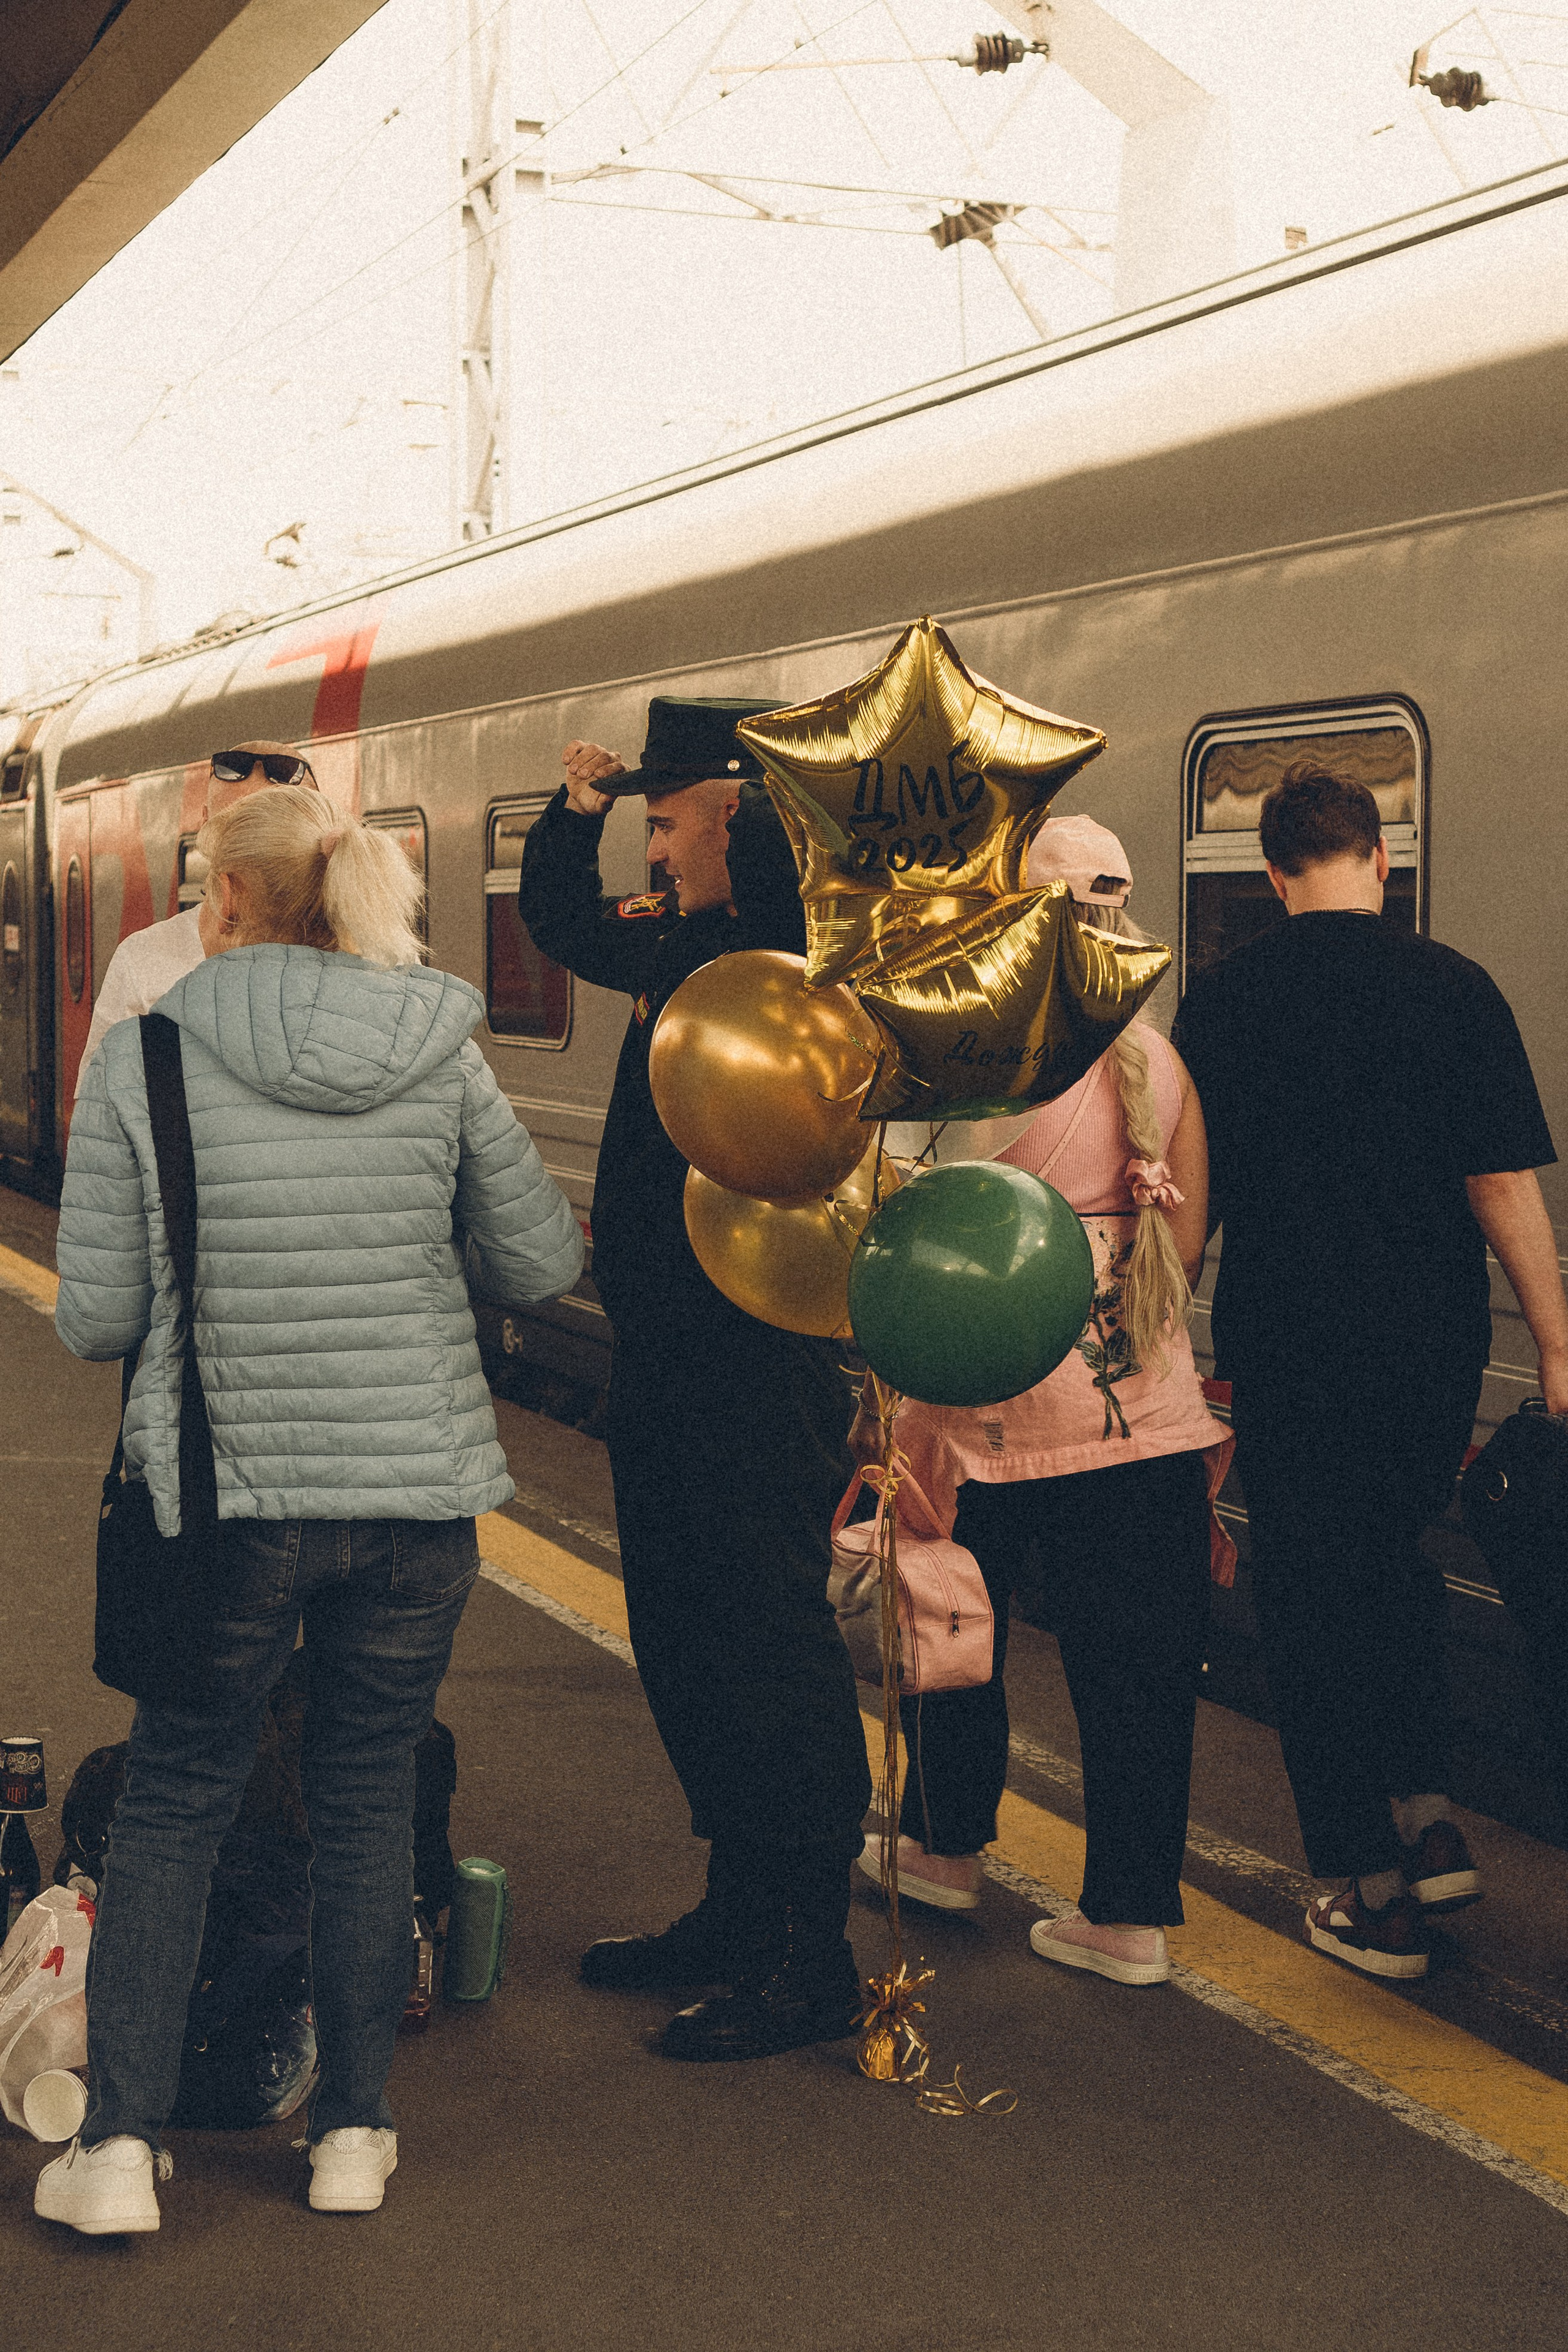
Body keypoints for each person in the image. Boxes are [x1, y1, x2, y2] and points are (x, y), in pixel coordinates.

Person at [39, 785, 583, 2236]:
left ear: (220, 903)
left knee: (173, 1805)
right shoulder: (441, 1047)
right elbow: (537, 1260)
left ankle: (116, 2153)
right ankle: (353, 2131)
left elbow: (93, 1315)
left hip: (224, 1498)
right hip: (413, 1496)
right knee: (361, 1800)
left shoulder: (146, 1055)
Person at [517, 698, 873, 2062]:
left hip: (757, 1358)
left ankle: (807, 1953)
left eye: (668, 822)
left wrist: (761, 796)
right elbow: (556, 924)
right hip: (668, 1347)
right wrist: (577, 814)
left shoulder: (789, 951)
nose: (651, 850)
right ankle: (737, 1906)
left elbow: (781, 850)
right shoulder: (677, 949)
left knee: (762, 1640)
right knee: (680, 1626)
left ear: (739, 812)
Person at [1171, 763, 1568, 1981]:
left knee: (1304, 1593)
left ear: (1272, 872)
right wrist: (1555, 1344)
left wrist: (1159, 1367)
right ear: (1378, 862)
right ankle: (1423, 1809)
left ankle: (1365, 1887)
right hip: (1427, 1345)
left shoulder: (1224, 1002)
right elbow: (1500, 1187)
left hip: (1288, 1346)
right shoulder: (1454, 988)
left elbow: (1186, 1211)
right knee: (1391, 1567)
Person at [854, 816, 1232, 1986]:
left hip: (991, 1415)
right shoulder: (1159, 1061)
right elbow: (1184, 1232)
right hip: (1143, 1412)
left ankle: (943, 1850)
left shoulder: (980, 1063)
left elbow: (908, 1230)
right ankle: (1126, 1922)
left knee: (955, 1620)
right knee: (1139, 1679)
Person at [75, 743, 319, 1093]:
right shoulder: (142, 961)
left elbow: (98, 1116)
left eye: (275, 831)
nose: (257, 851)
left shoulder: (145, 960)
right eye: (240, 829)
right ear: (204, 830)